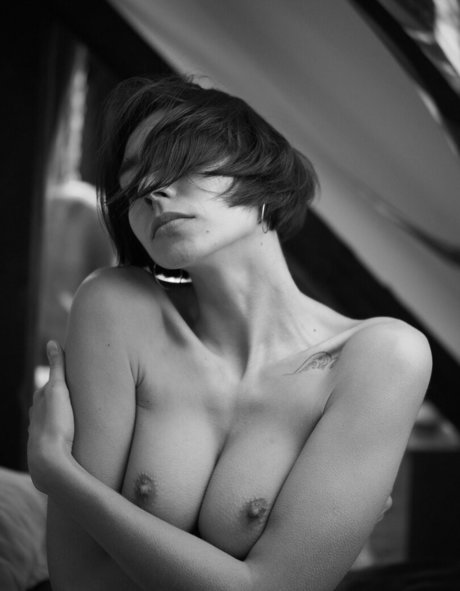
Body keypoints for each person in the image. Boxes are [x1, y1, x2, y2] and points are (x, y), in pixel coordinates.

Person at [27, 75, 432, 591]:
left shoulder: (381, 356)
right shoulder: (116, 307)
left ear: (262, 175)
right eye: (132, 185)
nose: (151, 190)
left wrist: (61, 476)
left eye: (180, 161)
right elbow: (79, 580)